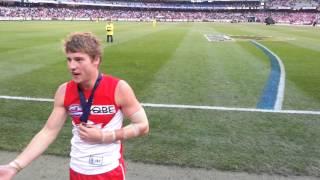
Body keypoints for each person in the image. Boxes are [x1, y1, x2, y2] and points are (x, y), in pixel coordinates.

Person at [0, 32, 149, 180]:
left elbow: (143, 126)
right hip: (77, 170)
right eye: (69, 59)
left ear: (96, 59)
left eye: (79, 59)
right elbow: (48, 132)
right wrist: (14, 166)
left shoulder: (118, 88)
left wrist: (105, 136)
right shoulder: (64, 91)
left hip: (108, 171)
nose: (72, 66)